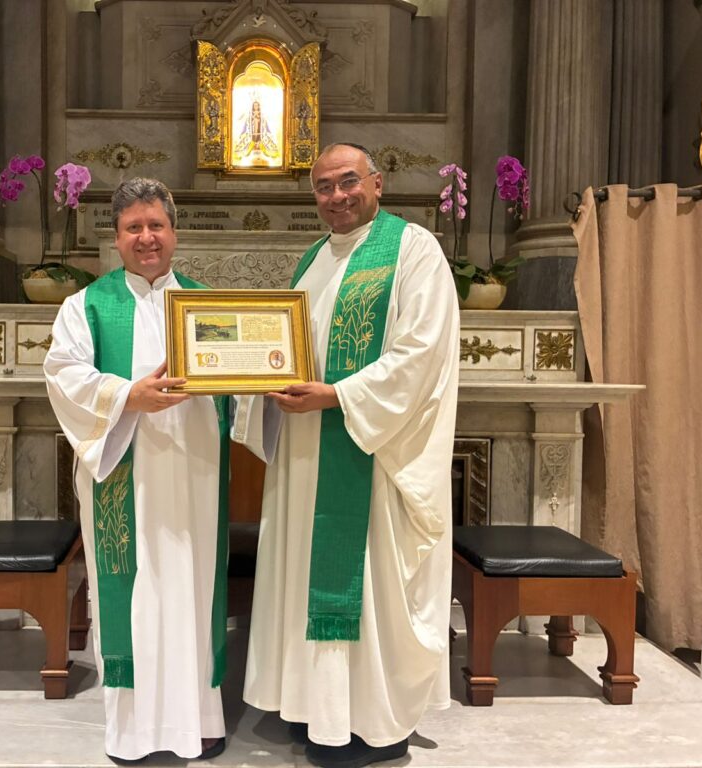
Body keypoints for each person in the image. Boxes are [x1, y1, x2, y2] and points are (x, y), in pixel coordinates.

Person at [233, 143, 460, 768]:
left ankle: (369, 724)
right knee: (304, 573)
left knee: (365, 581)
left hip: (372, 453)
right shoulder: (312, 260)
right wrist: (259, 383)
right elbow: (283, 348)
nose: (337, 196)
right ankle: (317, 707)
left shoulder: (413, 250)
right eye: (324, 187)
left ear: (377, 183)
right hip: (307, 453)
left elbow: (421, 353)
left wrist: (338, 395)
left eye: (348, 182)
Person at [44, 178, 229, 764]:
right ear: (116, 237)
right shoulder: (87, 306)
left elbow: (240, 378)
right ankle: (132, 732)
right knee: (134, 592)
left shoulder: (207, 304)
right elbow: (64, 375)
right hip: (124, 473)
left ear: (175, 233)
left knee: (194, 588)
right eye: (133, 228)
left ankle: (200, 720)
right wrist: (129, 396)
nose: (146, 237)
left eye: (156, 225)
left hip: (196, 472)